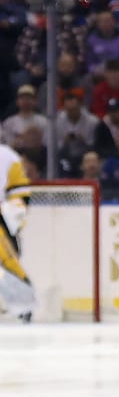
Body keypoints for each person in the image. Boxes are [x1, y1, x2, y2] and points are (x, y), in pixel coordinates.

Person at [0, 138, 40, 322]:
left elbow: (21, 193)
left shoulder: (7, 157)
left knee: (6, 261)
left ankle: (24, 306)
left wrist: (9, 218)